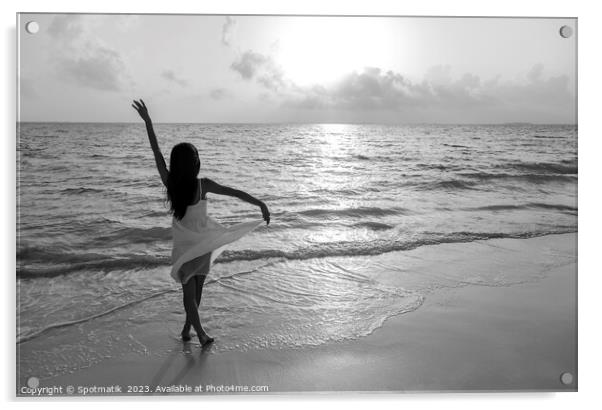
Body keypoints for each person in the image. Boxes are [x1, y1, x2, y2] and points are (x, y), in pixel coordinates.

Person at [132, 99, 270, 347]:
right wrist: (259, 203)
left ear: (176, 164)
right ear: (194, 164)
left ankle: (188, 328)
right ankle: (200, 333)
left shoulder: (170, 182)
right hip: (200, 246)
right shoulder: (202, 184)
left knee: (193, 292)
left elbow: (156, 153)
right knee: (193, 292)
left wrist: (149, 122)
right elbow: (235, 193)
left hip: (188, 248)